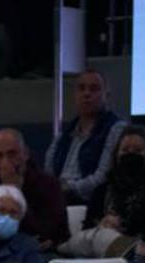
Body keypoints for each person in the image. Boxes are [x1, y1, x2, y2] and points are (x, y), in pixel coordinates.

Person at [61, 124, 145, 258]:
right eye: (125, 150)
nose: (130, 155)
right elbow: (87, 230)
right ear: (116, 154)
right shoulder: (101, 191)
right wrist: (102, 224)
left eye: (138, 151)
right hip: (104, 251)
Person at [0, 127, 68, 248]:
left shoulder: (49, 185)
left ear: (25, 154)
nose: (5, 162)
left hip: (37, 252)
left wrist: (16, 195)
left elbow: (53, 232)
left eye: (12, 154)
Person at [44, 69, 126, 202]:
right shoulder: (64, 134)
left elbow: (103, 176)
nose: (86, 93)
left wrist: (66, 189)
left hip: (90, 201)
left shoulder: (116, 128)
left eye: (94, 89)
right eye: (81, 89)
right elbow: (48, 172)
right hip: (59, 199)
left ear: (107, 95)